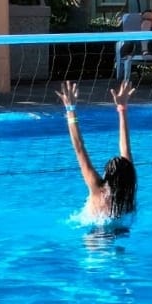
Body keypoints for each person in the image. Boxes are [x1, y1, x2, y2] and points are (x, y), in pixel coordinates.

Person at [57, 79, 137, 223]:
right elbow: (126, 149)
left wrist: (70, 109)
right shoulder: (129, 196)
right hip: (123, 230)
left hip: (95, 233)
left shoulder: (98, 190)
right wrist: (122, 108)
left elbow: (79, 147)